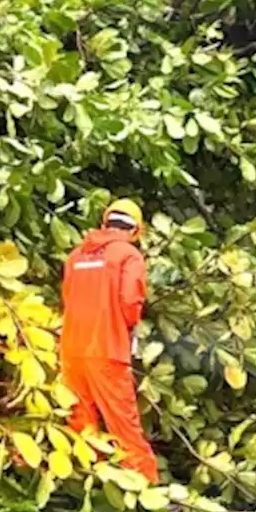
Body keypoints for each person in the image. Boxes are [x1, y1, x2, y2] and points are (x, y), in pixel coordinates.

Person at [61, 198, 159, 484]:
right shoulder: (129, 256)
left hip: (71, 350)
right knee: (123, 425)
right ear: (135, 231)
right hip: (106, 349)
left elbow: (67, 298)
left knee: (82, 423)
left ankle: (88, 482)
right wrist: (128, 327)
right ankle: (144, 488)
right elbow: (130, 302)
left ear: (104, 224)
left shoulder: (76, 256)